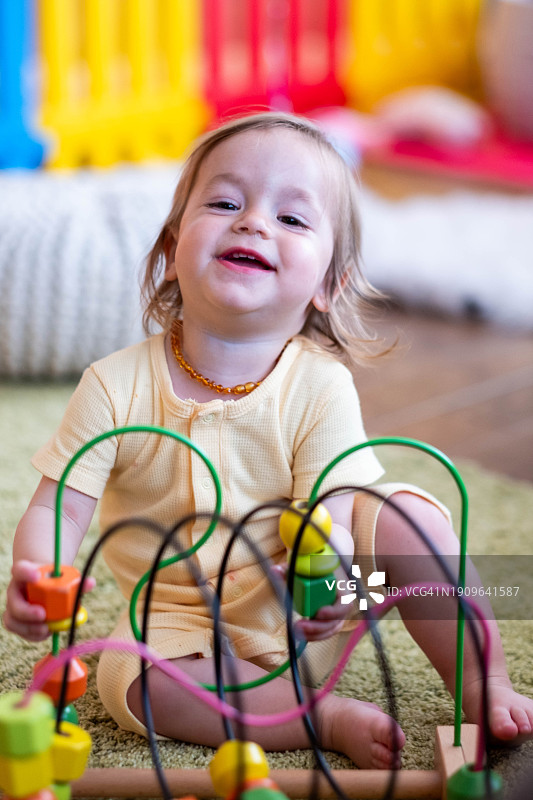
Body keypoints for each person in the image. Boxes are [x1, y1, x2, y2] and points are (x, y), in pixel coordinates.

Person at [4, 112, 532, 771]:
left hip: (315, 608)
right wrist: (39, 572)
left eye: (291, 218)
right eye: (225, 203)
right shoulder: (111, 386)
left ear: (327, 285)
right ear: (171, 251)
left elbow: (331, 508)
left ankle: (481, 680)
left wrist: (333, 577)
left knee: (409, 517)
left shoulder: (320, 384)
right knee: (127, 679)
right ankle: (317, 717)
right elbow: (59, 507)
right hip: (181, 623)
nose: (253, 222)